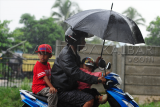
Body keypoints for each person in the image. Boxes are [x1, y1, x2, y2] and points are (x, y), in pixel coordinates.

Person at [51, 27, 107, 107]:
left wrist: (95, 65)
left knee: (95, 94)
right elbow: (76, 73)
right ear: (76, 40)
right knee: (89, 99)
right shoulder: (66, 55)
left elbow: (81, 69)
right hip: (63, 91)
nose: (84, 43)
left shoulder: (74, 53)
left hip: (70, 87)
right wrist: (96, 79)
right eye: (83, 40)